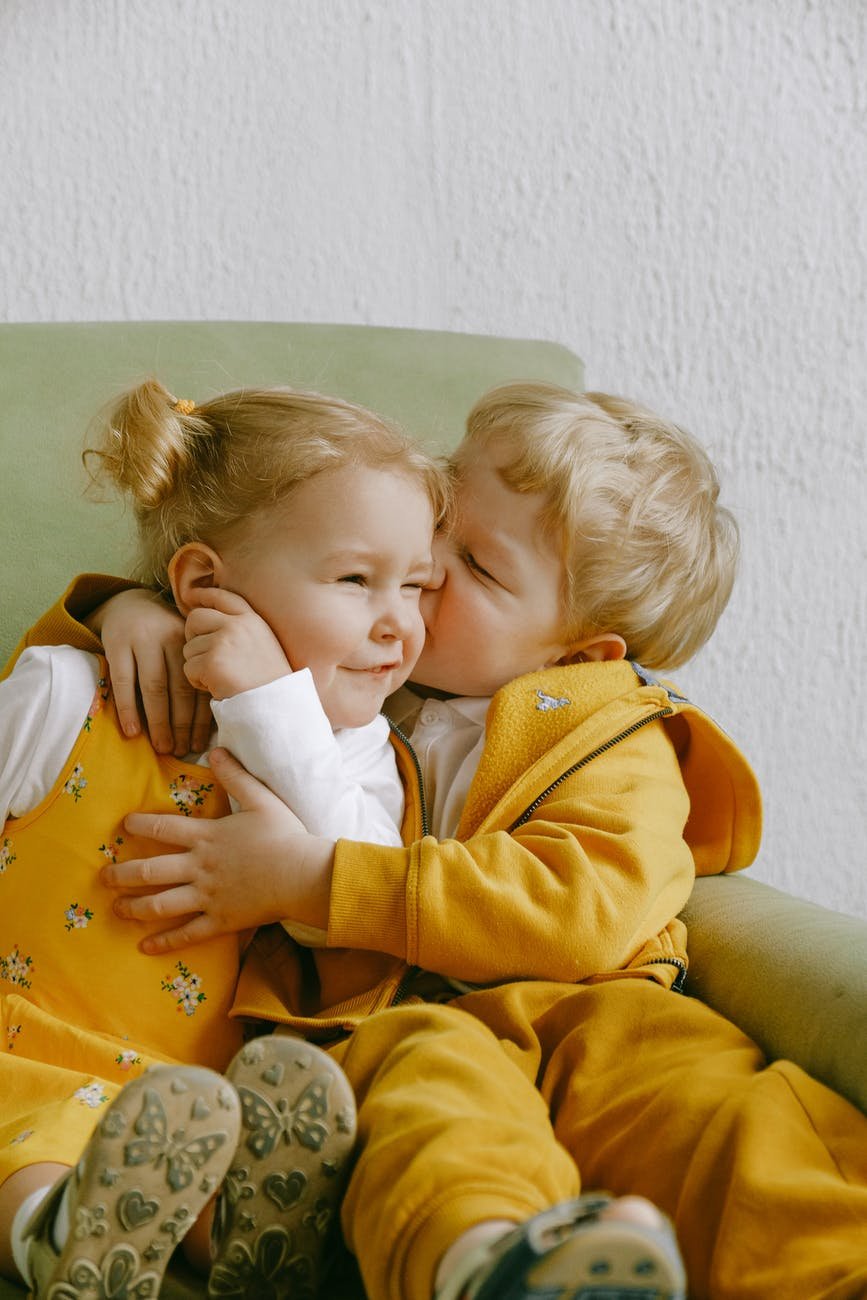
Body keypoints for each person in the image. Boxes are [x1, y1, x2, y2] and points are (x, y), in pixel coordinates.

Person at [10, 383, 867, 1300]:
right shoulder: (368, 687)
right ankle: (493, 1267)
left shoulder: (614, 732)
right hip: (418, 1031)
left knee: (729, 1120)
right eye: (441, 524)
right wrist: (135, 612)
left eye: (477, 567)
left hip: (593, 1019)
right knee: (438, 1126)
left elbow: (576, 914)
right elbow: (252, 611)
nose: (427, 573)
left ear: (580, 653)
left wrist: (313, 883)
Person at [0, 379, 448, 1296]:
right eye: (356, 579)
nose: (400, 623)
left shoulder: (364, 760)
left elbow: (355, 903)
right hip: (15, 1042)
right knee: (29, 1133)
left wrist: (268, 704)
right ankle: (60, 1240)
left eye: (418, 585)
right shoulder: (68, 693)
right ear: (205, 584)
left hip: (187, 1103)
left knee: (202, 1149)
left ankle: (243, 1242)